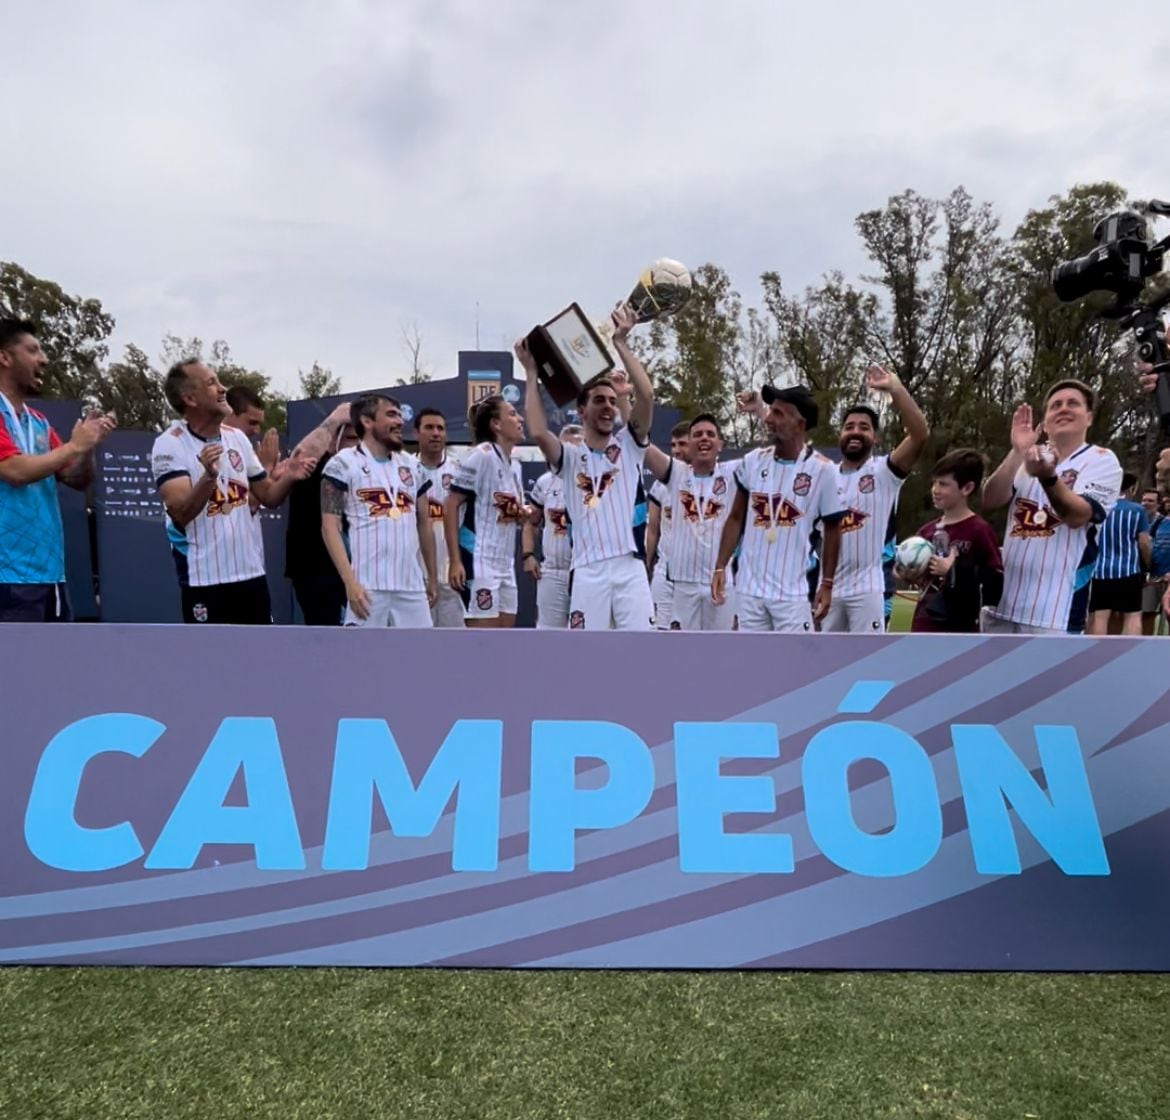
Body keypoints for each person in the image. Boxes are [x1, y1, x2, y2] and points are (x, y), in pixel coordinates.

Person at [522, 305, 656, 630]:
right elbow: (539, 432)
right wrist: (530, 372)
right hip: (586, 570)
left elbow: (647, 395)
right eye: (599, 400)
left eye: (612, 401)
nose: (608, 407)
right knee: (585, 656)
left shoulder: (629, 445)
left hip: (629, 567)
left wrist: (621, 342)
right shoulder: (569, 458)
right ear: (581, 410)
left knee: (642, 653)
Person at [152, 360, 315, 624]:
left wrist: (291, 476)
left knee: (259, 661)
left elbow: (270, 497)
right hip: (204, 580)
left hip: (251, 576)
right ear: (190, 398)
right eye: (211, 383)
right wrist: (209, 477)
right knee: (212, 663)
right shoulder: (169, 444)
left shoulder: (237, 439)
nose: (222, 388)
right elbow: (181, 513)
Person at [981, 380, 1122, 634]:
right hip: (1003, 607)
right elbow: (990, 500)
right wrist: (1016, 452)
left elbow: (1078, 516)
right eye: (1055, 405)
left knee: (1053, 676)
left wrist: (1048, 478)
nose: (1063, 409)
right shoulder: (1028, 460)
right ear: (1045, 422)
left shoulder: (1102, 460)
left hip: (1056, 610)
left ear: (1088, 418)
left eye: (1073, 404)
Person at [0, 318, 115, 622]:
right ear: (5, 357)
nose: (44, 359)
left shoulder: (38, 421)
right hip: (7, 577)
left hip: (49, 574)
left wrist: (89, 445)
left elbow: (75, 479)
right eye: (34, 350)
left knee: (51, 668)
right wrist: (74, 446)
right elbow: (14, 471)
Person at [712, 385, 844, 632]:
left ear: (800, 424)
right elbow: (735, 517)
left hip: (793, 595)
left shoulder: (823, 471)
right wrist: (721, 565)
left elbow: (833, 529)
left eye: (779, 414)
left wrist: (826, 584)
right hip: (749, 592)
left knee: (794, 669)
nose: (769, 419)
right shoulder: (753, 461)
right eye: (770, 411)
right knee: (749, 668)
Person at [824, 364, 928, 634]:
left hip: (867, 591)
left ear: (875, 437)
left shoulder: (884, 472)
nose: (855, 431)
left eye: (864, 427)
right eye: (849, 427)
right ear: (840, 436)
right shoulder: (823, 476)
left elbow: (920, 434)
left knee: (864, 666)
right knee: (822, 666)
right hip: (827, 589)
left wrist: (896, 388)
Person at [321, 393, 436, 628]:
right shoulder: (341, 464)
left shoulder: (413, 466)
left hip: (411, 587)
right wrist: (349, 583)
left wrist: (432, 576)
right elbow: (330, 527)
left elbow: (424, 523)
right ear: (367, 421)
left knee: (421, 661)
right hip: (367, 588)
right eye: (391, 415)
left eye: (400, 415)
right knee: (362, 662)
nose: (400, 422)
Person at [644, 414, 738, 630]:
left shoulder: (733, 473)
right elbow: (644, 446)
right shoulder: (675, 474)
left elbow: (770, 456)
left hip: (720, 581)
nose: (704, 438)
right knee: (682, 655)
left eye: (710, 434)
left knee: (720, 654)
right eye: (697, 435)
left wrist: (759, 409)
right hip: (683, 584)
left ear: (720, 445)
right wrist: (625, 400)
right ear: (691, 443)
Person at [445, 394, 527, 628]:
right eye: (512, 413)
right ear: (496, 424)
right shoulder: (481, 455)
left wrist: (521, 513)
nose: (520, 418)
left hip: (505, 563)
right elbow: (451, 504)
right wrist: (454, 560)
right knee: (483, 645)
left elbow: (502, 509)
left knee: (505, 643)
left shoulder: (515, 465)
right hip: (479, 559)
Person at [910, 449, 1003, 633]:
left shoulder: (979, 530)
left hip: (960, 626)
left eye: (943, 484)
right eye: (934, 483)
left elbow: (995, 581)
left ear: (967, 488)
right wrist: (907, 570)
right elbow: (911, 575)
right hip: (924, 622)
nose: (935, 490)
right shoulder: (926, 531)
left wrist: (954, 570)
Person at [523, 423, 583, 629]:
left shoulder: (596, 484)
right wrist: (528, 554)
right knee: (549, 635)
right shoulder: (544, 482)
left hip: (585, 571)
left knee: (585, 634)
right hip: (553, 571)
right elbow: (530, 522)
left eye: (578, 447)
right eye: (567, 448)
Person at [413, 407, 465, 629]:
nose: (436, 433)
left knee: (454, 646)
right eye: (429, 428)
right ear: (416, 433)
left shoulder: (460, 471)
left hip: (452, 574)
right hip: (413, 575)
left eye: (440, 428)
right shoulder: (405, 471)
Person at [1086, 472, 1150, 636]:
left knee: (1100, 615)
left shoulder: (1099, 508)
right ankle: (1130, 654)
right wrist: (1148, 564)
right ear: (1131, 488)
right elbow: (1143, 542)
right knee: (1133, 615)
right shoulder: (1137, 510)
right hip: (1128, 570)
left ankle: (1096, 654)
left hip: (1100, 571)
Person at [645, 421, 691, 630]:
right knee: (660, 634)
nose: (677, 450)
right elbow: (653, 529)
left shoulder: (715, 482)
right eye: (673, 445)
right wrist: (646, 564)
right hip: (665, 569)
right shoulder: (660, 484)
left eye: (682, 444)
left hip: (695, 573)